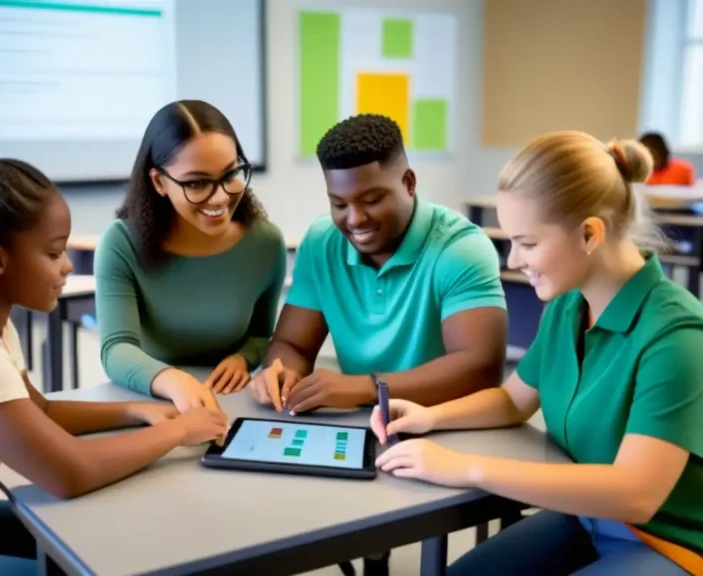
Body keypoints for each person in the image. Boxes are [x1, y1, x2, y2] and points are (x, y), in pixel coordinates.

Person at [372, 131, 703, 575]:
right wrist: (430, 417)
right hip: (589, 515)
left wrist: (468, 468)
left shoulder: (677, 334)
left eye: (527, 243)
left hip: (669, 543)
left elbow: (636, 493)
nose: (512, 261)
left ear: (589, 234)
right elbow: (514, 399)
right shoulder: (569, 304)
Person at [0, 159, 228, 574]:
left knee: (88, 549)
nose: (68, 266)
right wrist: (178, 431)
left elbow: (41, 412)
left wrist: (134, 411)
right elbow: (70, 473)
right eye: (54, 253)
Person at [250, 114, 508, 575]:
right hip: (362, 428)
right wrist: (281, 368)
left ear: (409, 182)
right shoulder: (321, 242)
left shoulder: (460, 248)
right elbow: (291, 341)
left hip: (449, 430)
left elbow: (480, 367)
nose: (355, 219)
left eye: (371, 200)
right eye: (339, 203)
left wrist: (363, 387)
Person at [95, 100, 286, 412]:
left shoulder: (265, 243)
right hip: (152, 400)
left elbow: (262, 336)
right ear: (159, 182)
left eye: (230, 174)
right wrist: (173, 381)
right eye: (197, 182)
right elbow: (116, 349)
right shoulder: (121, 244)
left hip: (235, 400)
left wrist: (243, 358)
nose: (221, 196)